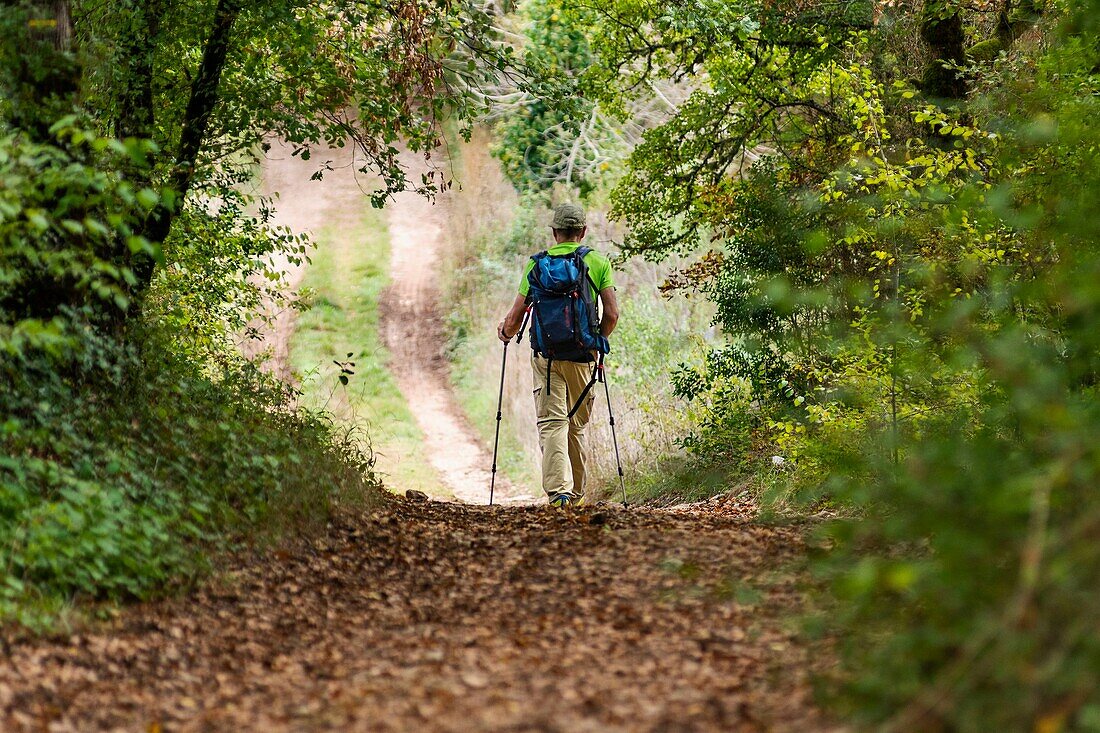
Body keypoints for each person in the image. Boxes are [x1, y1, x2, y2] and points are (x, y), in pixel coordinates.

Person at [496, 203, 619, 507]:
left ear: (554, 232)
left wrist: (505, 332)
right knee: (575, 425)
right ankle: (575, 494)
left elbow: (514, 319)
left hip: (546, 359)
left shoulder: (536, 266)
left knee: (552, 424)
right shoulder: (598, 262)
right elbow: (613, 314)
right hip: (583, 358)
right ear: (583, 231)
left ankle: (558, 494)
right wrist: (596, 342)